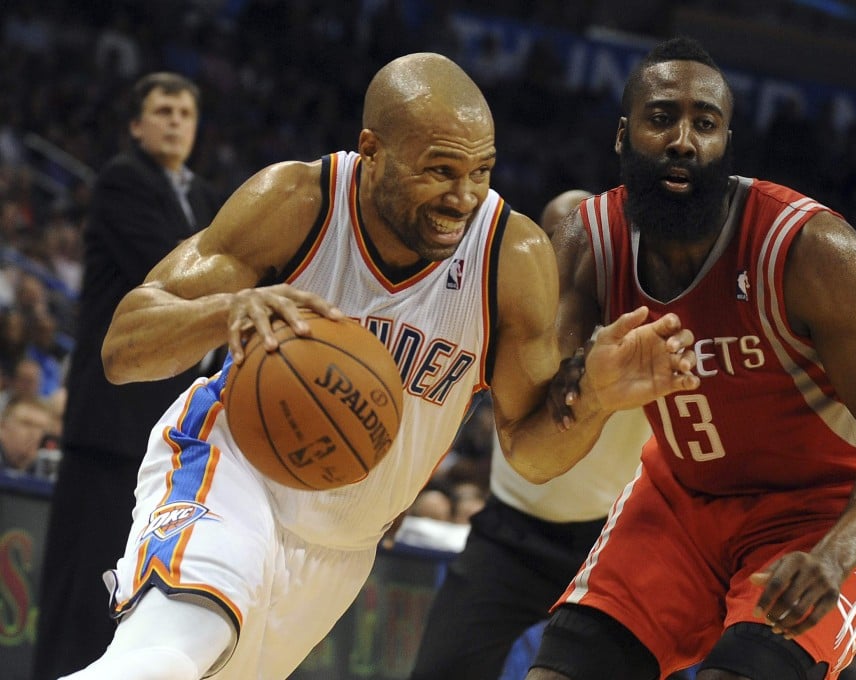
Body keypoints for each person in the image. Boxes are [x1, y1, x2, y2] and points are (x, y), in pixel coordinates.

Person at [60, 53, 698, 680]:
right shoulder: (296, 199)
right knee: (175, 651)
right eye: (440, 170)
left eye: (481, 171)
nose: (463, 197)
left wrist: (592, 397)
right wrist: (232, 308)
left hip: (344, 544)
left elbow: (529, 453)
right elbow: (123, 348)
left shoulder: (511, 254)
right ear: (371, 150)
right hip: (230, 470)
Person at [525, 35, 856, 680]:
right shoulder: (587, 243)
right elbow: (541, 430)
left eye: (705, 124)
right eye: (661, 118)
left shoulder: (809, 249)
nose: (684, 140)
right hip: (683, 498)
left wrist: (836, 553)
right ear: (622, 135)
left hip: (826, 509)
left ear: (726, 143)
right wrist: (586, 390)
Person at [409, 189, 653, 680]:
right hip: (513, 532)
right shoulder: (515, 311)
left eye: (576, 243)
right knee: (440, 668)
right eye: (550, 240)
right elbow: (445, 404)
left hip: (612, 543)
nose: (560, 252)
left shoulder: (643, 326)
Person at [32, 71, 223, 680]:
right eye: (162, 110)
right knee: (82, 584)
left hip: (165, 426)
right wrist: (245, 285)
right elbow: (173, 269)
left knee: (133, 591)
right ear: (137, 125)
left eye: (184, 112)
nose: (174, 121)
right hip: (111, 419)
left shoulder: (207, 197)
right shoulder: (123, 180)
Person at [0, 394, 52, 474]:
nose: (34, 434)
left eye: (40, 428)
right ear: (2, 427)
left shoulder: (45, 472)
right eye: (27, 424)